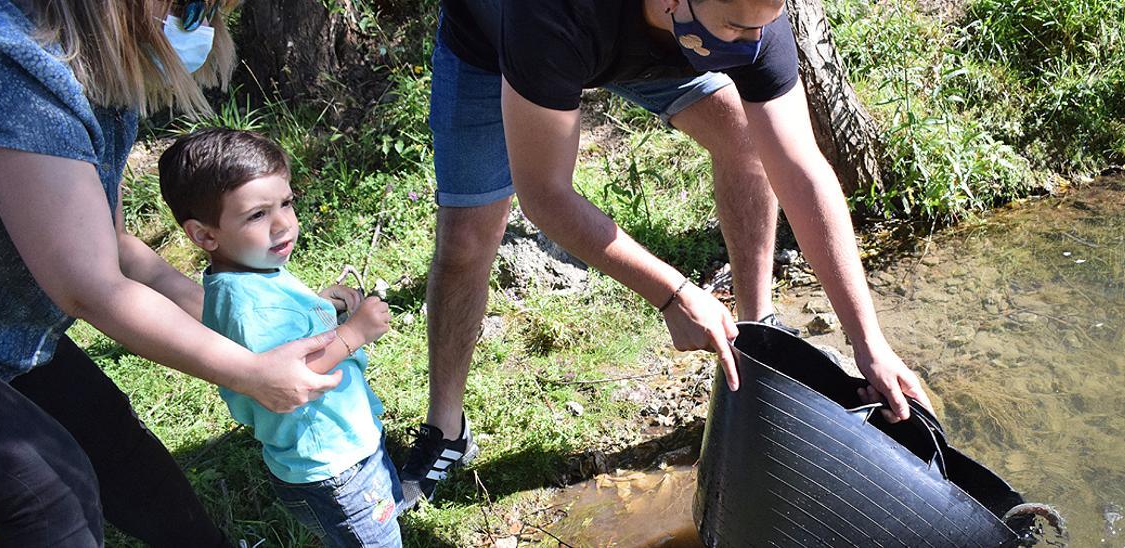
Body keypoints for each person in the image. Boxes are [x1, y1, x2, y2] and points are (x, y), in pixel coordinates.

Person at [399, 0, 935, 507]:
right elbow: (545, 195)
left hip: (655, 37)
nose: (753, 45)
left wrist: (869, 342)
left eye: (761, 29)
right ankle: (446, 429)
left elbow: (801, 168)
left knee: (747, 138)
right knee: (467, 240)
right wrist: (674, 294)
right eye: (736, 30)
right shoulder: (553, 13)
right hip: (495, 42)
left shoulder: (750, 21)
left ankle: (757, 337)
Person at [0, 1, 344, 545]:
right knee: (49, 493)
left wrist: (251, 321)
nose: (199, 21)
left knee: (110, 437)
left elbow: (115, 247)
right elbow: (90, 288)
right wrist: (250, 373)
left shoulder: (96, 73)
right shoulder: (8, 63)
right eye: (189, 4)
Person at [158, 128, 404, 547]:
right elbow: (291, 375)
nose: (282, 223)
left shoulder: (247, 271)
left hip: (340, 452)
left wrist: (321, 306)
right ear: (204, 235)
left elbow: (281, 328)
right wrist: (354, 332)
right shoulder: (249, 304)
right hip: (333, 467)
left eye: (286, 203)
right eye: (257, 215)